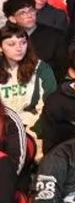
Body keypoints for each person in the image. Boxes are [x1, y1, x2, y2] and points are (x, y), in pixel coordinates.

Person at [0, 24, 55, 153]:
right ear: (1, 48)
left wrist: (34, 131)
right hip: (3, 127)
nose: (19, 48)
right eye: (11, 44)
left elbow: (50, 104)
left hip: (31, 127)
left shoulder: (41, 68)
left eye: (23, 42)